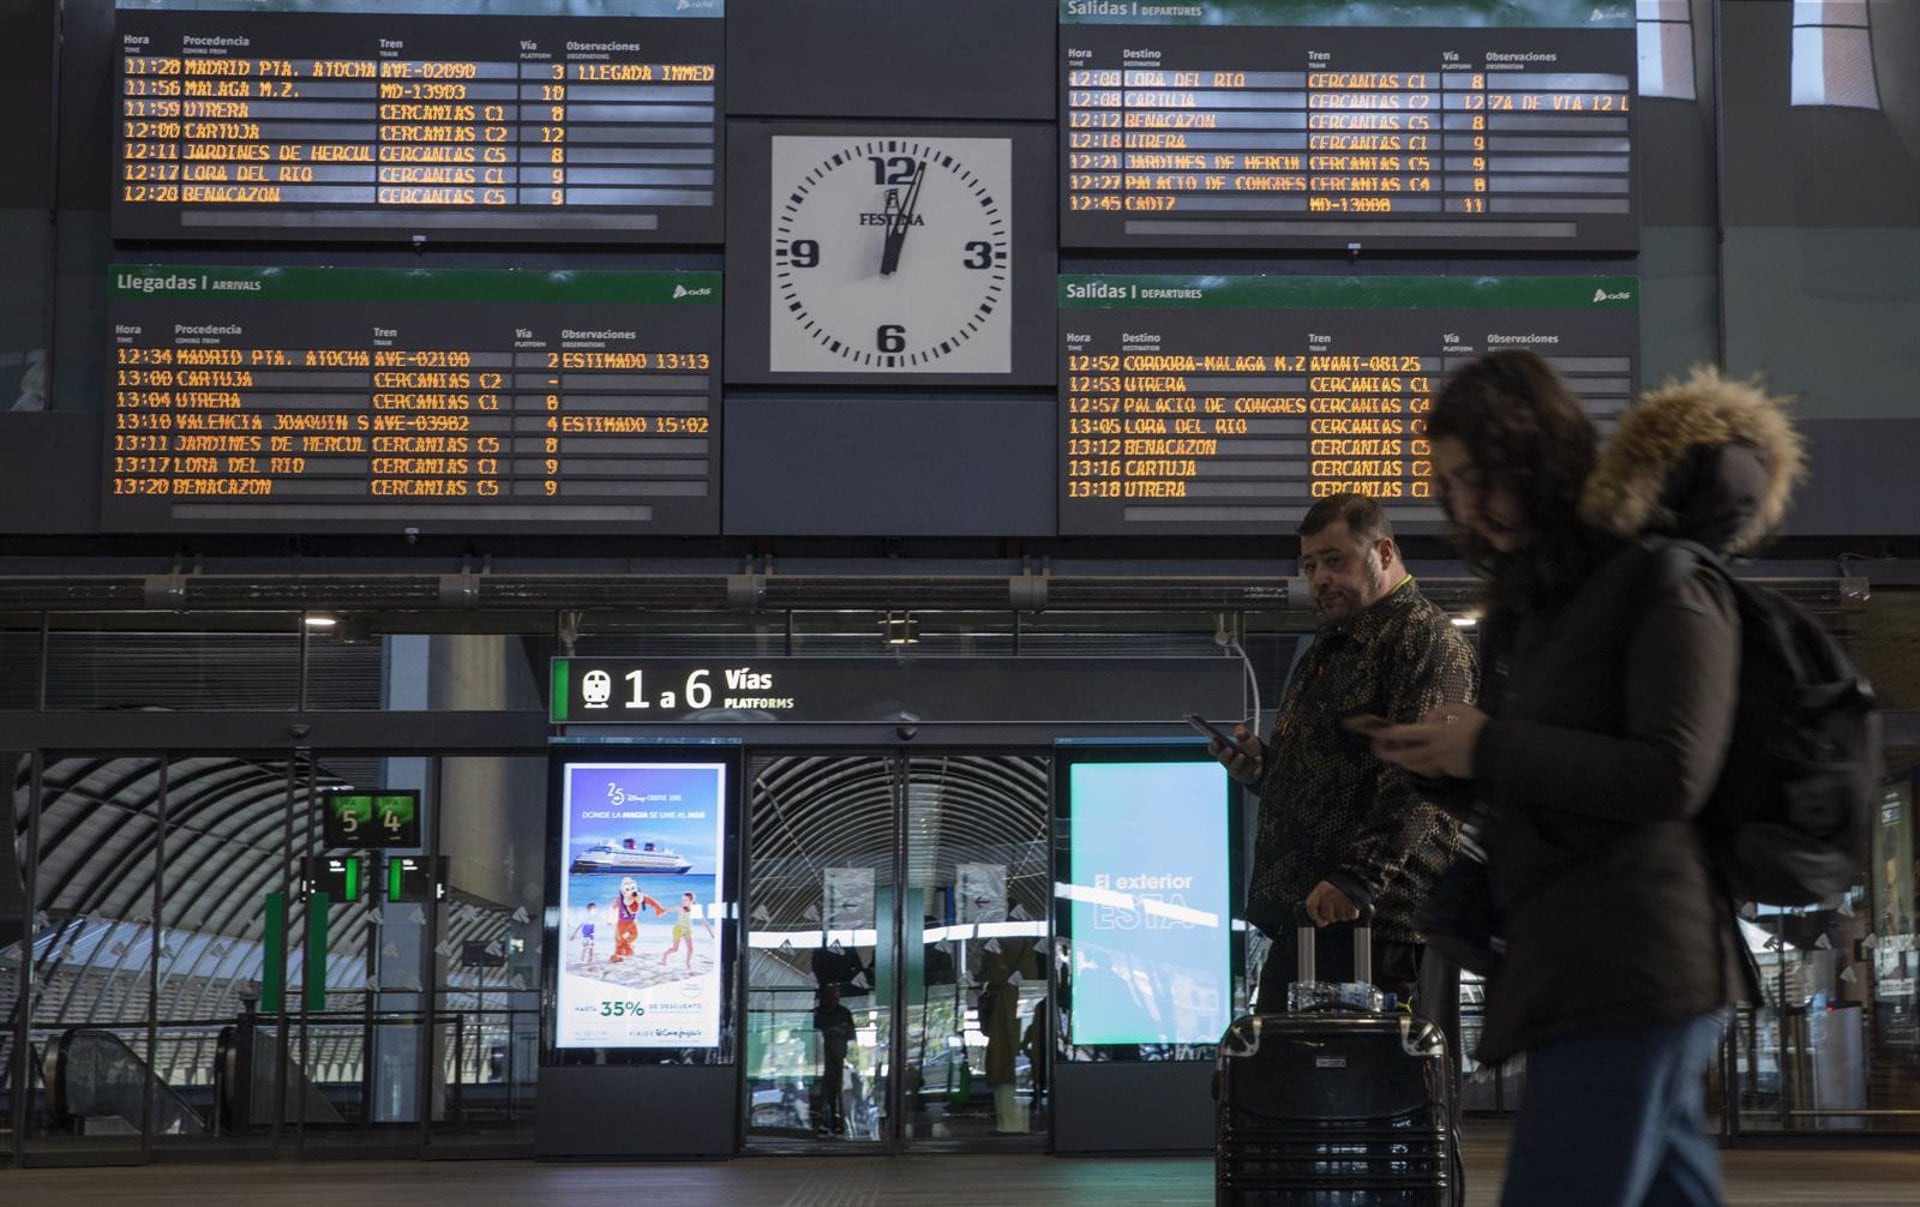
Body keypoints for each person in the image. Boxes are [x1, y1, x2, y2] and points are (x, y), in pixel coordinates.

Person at [1371, 355, 1792, 1205]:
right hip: (1580, 962)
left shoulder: (1663, 577)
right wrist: (1445, 768)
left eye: (1479, 477)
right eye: (1448, 485)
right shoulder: (1532, 605)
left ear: (1537, 456)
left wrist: (1488, 748)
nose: (1465, 506)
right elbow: (1542, 774)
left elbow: (1672, 774)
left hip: (1635, 964)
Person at [1211, 491, 1474, 1041]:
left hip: (1383, 923)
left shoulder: (1423, 639)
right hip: (1313, 917)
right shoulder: (1332, 647)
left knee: (1392, 1102)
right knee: (1289, 1097)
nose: (1320, 578)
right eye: (1310, 566)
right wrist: (1263, 770)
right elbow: (1335, 780)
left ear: (1383, 551)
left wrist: (1358, 878)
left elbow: (1424, 777)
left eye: (1335, 560)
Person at [813, 984, 856, 1137]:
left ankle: (838, 1124)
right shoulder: (818, 1013)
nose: (832, 1000)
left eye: (835, 997)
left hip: (838, 1059)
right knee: (825, 1092)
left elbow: (851, 1035)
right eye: (830, 997)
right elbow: (810, 1032)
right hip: (820, 1060)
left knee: (839, 1091)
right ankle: (825, 1123)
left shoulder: (843, 1013)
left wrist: (839, 1032)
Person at [660, 890, 716, 969]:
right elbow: (669, 910)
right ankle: (664, 956)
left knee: (690, 949)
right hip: (678, 929)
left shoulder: (695, 910)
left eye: (685, 900)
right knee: (675, 949)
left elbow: (704, 922)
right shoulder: (681, 908)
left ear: (691, 900)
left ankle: (687, 963)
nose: (683, 902)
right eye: (682, 900)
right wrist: (662, 911)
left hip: (687, 930)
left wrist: (711, 933)